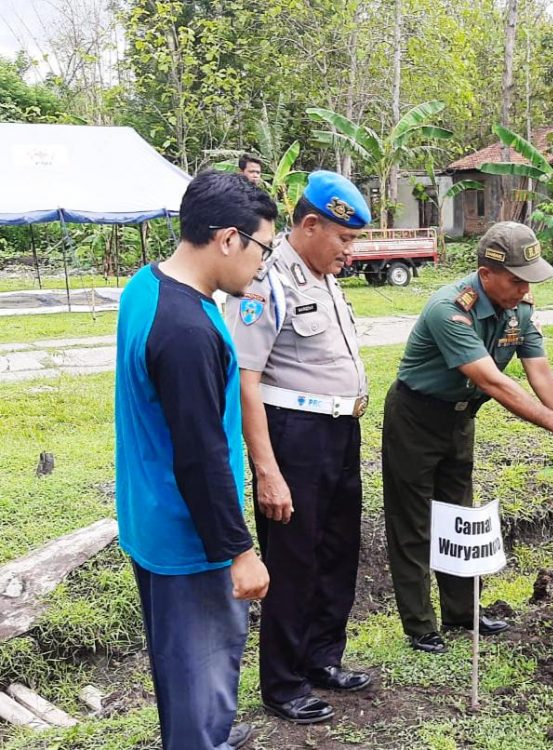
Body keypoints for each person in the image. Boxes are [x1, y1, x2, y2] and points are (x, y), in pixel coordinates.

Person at [382, 221, 553, 654]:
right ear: (487, 275)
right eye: (518, 281)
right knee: (413, 524)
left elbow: (539, 372)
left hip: (460, 419)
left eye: (529, 281)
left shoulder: (518, 310)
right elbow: (497, 384)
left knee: (457, 516)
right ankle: (420, 624)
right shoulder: (449, 309)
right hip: (415, 417)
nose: (524, 290)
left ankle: (462, 611)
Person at [114, 170, 276, 750]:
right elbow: (201, 457)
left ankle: (203, 734)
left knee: (181, 671)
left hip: (150, 518)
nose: (262, 263)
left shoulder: (146, 286)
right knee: (202, 668)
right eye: (262, 247)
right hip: (191, 539)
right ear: (229, 238)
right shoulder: (187, 329)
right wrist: (240, 552)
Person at [226, 171, 373, 725]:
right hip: (294, 436)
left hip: (341, 433)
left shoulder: (325, 275)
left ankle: (321, 659)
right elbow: (246, 380)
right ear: (310, 225)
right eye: (344, 237)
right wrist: (267, 470)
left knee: (337, 551)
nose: (349, 251)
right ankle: (283, 683)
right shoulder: (267, 281)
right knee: (293, 558)